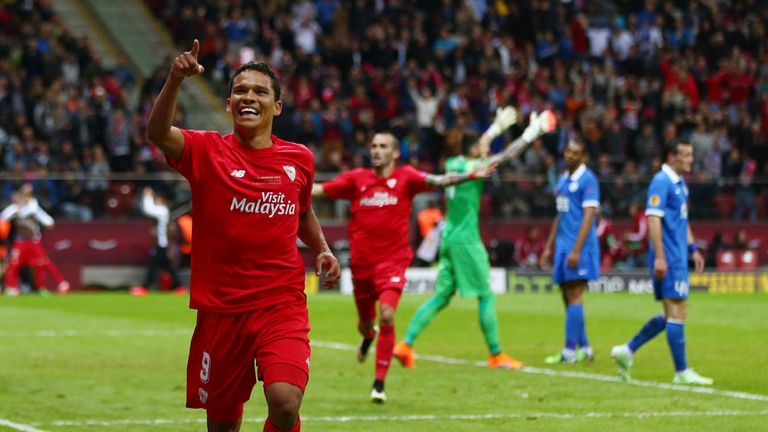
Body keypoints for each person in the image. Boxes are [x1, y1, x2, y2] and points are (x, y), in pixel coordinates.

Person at [146, 40, 340, 432]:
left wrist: (322, 248)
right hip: (222, 310)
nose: (248, 96)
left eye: (259, 91)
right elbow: (157, 132)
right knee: (222, 421)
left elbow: (302, 210)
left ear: (277, 106)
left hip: (280, 302)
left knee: (285, 401)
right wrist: (175, 79)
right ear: (230, 103)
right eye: (240, 91)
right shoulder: (205, 150)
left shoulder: (298, 158)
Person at [311, 109, 511, 403]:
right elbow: (318, 190)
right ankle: (368, 336)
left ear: (395, 154)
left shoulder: (407, 178)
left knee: (389, 315)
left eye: (383, 147)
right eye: (374, 146)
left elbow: (440, 180)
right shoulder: (356, 179)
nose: (376, 151)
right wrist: (286, 186)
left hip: (392, 262)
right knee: (366, 324)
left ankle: (379, 384)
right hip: (362, 267)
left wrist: (472, 174)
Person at [393, 110, 558, 371]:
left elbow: (475, 146)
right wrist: (531, 133)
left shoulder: (453, 163)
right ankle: (496, 354)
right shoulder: (475, 168)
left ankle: (406, 345)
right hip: (466, 240)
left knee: (442, 296)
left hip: (447, 237)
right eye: (482, 146)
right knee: (485, 295)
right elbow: (507, 156)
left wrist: (495, 128)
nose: (485, 148)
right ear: (474, 151)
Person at [611, 140, 712, 385]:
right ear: (671, 156)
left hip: (677, 254)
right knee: (678, 310)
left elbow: (682, 221)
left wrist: (693, 248)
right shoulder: (662, 181)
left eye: (691, 155)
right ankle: (682, 372)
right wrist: (659, 257)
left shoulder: (680, 184)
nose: (690, 159)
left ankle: (627, 350)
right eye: (685, 155)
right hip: (669, 258)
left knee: (670, 314)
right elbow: (653, 220)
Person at [540, 140, 600, 364]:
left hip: (579, 246)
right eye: (568, 151)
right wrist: (548, 247)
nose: (570, 156)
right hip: (563, 246)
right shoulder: (564, 178)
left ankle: (569, 352)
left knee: (575, 294)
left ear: (584, 156)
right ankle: (585, 348)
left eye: (576, 153)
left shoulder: (588, 179)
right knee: (566, 296)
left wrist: (577, 249)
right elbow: (560, 215)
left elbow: (589, 215)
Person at [1, 185, 69, 296]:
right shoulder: (15, 207)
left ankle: (60, 283)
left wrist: (21, 211)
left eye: (28, 194)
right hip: (20, 241)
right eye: (24, 194)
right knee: (14, 264)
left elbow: (49, 222)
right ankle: (11, 288)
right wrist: (14, 211)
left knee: (43, 263)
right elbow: (3, 216)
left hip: (33, 241)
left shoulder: (33, 206)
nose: (26, 197)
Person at [129, 187, 186, 296]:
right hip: (161, 245)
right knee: (166, 267)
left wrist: (147, 196)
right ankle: (179, 287)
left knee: (152, 266)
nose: (156, 202)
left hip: (162, 244)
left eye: (157, 200)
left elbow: (147, 210)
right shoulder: (163, 211)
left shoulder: (162, 210)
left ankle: (145, 287)